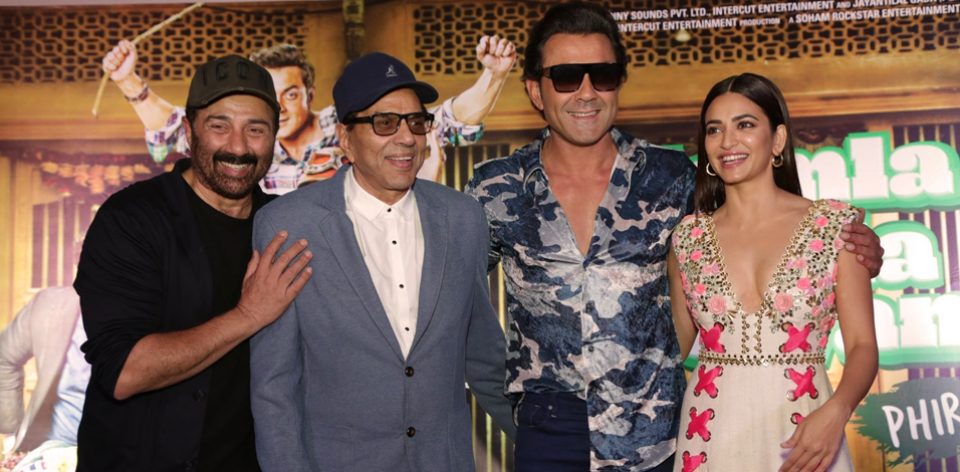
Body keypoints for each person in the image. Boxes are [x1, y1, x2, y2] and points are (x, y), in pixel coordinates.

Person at [464, 3, 883, 471]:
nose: (586, 92)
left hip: (655, 436)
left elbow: (752, 234)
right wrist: (506, 404)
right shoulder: (495, 188)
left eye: (602, 75)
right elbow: (448, 302)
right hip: (549, 431)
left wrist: (858, 251)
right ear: (534, 91)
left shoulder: (672, 177)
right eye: (565, 77)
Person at [248, 51, 514, 472]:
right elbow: (274, 386)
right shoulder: (289, 225)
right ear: (345, 138)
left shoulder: (463, 217)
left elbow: (485, 358)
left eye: (416, 122)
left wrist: (550, 448)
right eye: (385, 123)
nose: (407, 138)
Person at [74, 55, 312, 471]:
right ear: (188, 132)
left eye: (255, 129)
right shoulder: (132, 219)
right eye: (219, 126)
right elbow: (124, 371)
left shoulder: (285, 227)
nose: (238, 147)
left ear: (274, 137)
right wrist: (249, 315)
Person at [667, 73, 878, 472]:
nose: (728, 142)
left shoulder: (834, 227)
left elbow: (863, 345)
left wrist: (838, 410)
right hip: (711, 436)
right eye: (714, 129)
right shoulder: (688, 239)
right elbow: (671, 350)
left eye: (744, 125)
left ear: (778, 139)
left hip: (807, 435)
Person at [102, 37, 516, 190]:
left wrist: (494, 75)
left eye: (292, 94)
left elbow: (445, 124)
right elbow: (174, 131)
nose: (281, 107)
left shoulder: (350, 124)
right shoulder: (248, 145)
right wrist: (128, 81)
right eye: (272, 96)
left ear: (310, 94)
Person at [0, 287, 87, 472]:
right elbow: (3, 356)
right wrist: (11, 433)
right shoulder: (50, 304)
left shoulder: (148, 310)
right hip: (54, 450)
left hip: (127, 453)